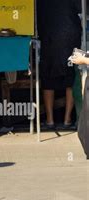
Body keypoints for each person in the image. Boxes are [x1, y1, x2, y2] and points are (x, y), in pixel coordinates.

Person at [38, 0, 81, 130]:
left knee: (48, 77)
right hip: (69, 34)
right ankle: (67, 119)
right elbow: (81, 9)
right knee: (70, 77)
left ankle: (50, 120)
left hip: (49, 34)